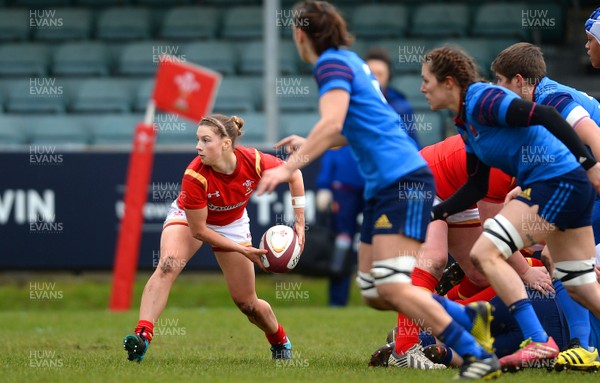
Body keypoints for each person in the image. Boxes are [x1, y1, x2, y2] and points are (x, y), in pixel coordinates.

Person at [257, 1, 501, 379]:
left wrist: (288, 167)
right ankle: (468, 314)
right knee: (373, 291)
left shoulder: (330, 65)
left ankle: (475, 354)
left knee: (391, 283)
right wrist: (311, 140)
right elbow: (353, 126)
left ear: (301, 34)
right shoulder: (349, 60)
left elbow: (333, 120)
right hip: (384, 185)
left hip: (400, 181)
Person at [422, 45, 600, 372]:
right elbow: (476, 186)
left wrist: (589, 164)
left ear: (448, 83)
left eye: (427, 81)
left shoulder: (482, 99)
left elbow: (546, 115)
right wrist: (436, 213)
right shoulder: (467, 121)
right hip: (564, 186)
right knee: (581, 287)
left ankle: (537, 341)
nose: (422, 89)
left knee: (485, 252)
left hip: (558, 182)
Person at [122, 114, 306, 362]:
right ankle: (143, 334)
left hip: (232, 223)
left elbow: (294, 175)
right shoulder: (195, 175)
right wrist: (243, 251)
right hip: (191, 219)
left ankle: (279, 341)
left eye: (205, 140)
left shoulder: (254, 160)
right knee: (168, 264)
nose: (198, 146)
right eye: (197, 139)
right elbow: (199, 231)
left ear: (226, 144)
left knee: (247, 304)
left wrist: (300, 223)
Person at [491, 41, 600, 370]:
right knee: (563, 261)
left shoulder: (553, 99)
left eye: (500, 81)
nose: (497, 89)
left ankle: (584, 345)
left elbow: (593, 139)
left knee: (561, 260)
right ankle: (585, 346)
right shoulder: (542, 102)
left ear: (520, 80)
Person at [316, 146, 364, 307]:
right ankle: (337, 299)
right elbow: (332, 140)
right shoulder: (342, 121)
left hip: (376, 187)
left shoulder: (399, 120)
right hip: (343, 188)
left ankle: (390, 298)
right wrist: (324, 185)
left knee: (381, 239)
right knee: (342, 243)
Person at [364, 47, 420, 148]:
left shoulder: (402, 108)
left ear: (388, 76)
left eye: (379, 74)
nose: (374, 79)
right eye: (370, 74)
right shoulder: (350, 103)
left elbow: (410, 146)